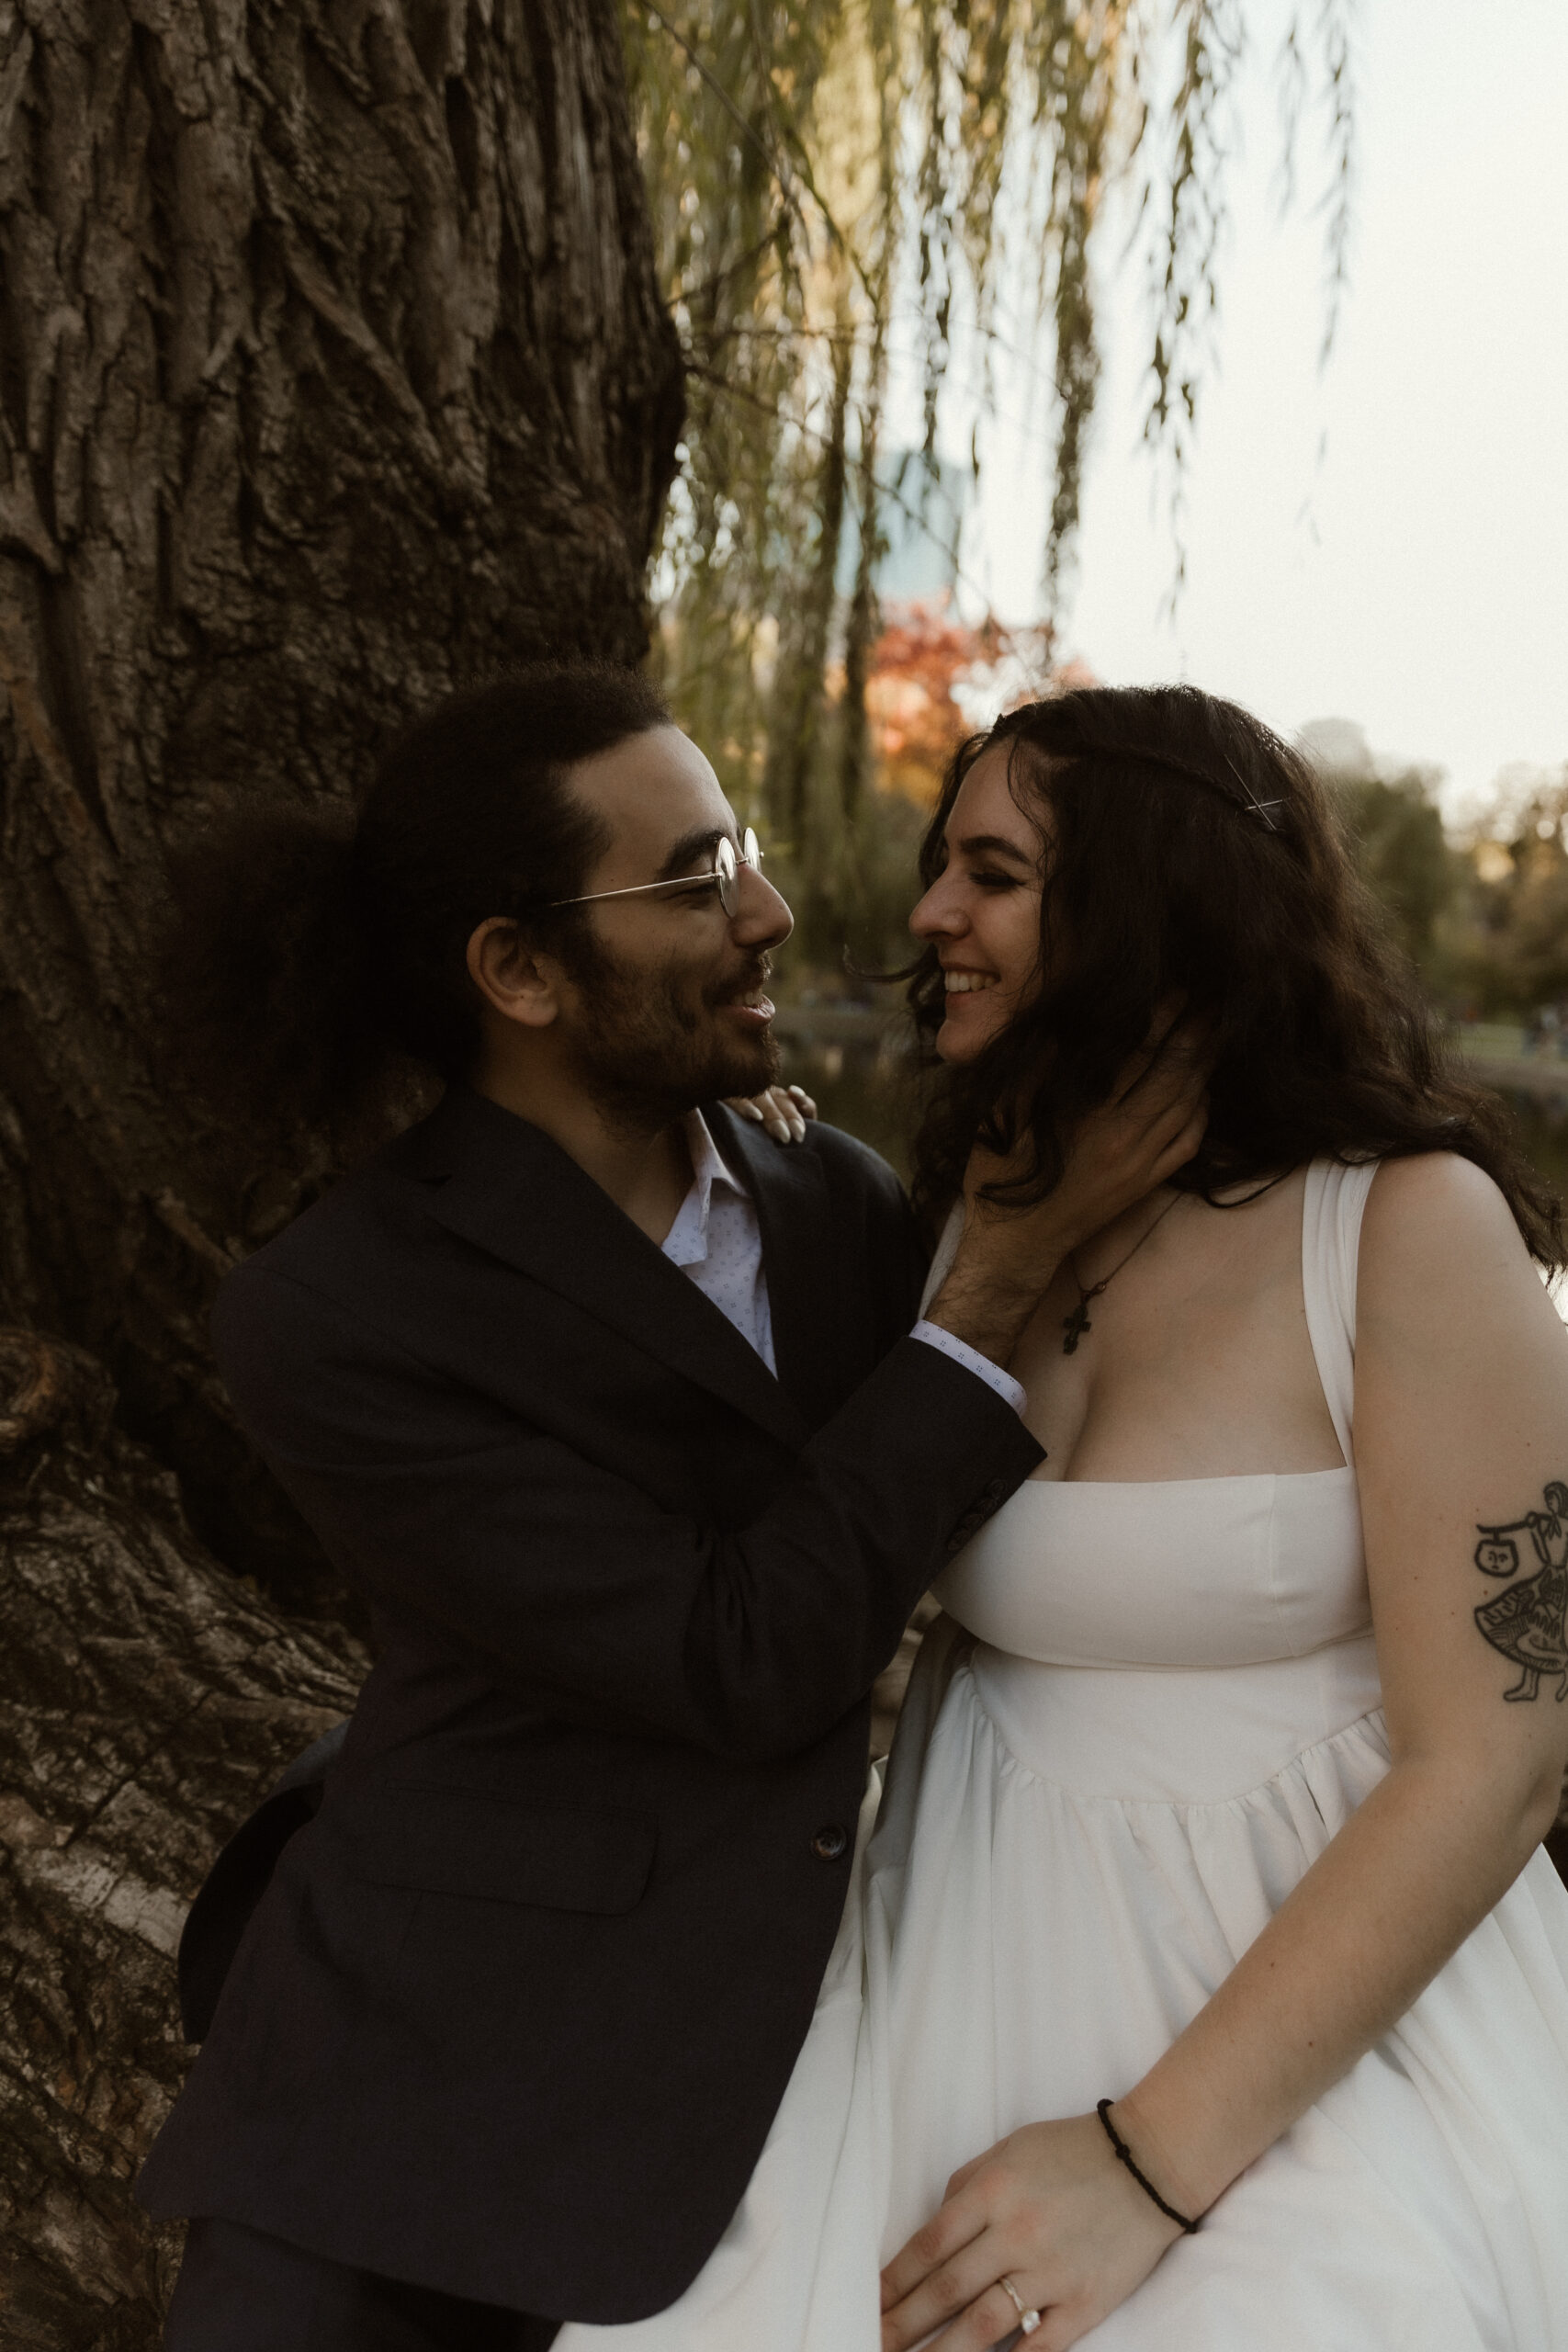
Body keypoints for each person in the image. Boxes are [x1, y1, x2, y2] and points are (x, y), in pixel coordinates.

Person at [136, 664, 1204, 2349]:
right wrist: (989, 1283)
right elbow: (736, 1655)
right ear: (520, 971)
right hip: (411, 2105)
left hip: (800, 2084)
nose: (769, 911)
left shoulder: (835, 1202)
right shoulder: (335, 1313)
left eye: (747, 853)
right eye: (696, 878)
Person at [550, 683, 1568, 2352]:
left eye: (995, 874)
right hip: (955, 1954)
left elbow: (1503, 1760)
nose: (929, 914)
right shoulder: (957, 1221)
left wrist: (1143, 2168)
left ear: (1161, 904)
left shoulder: (1399, 1230)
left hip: (1308, 2012)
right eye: (944, 865)